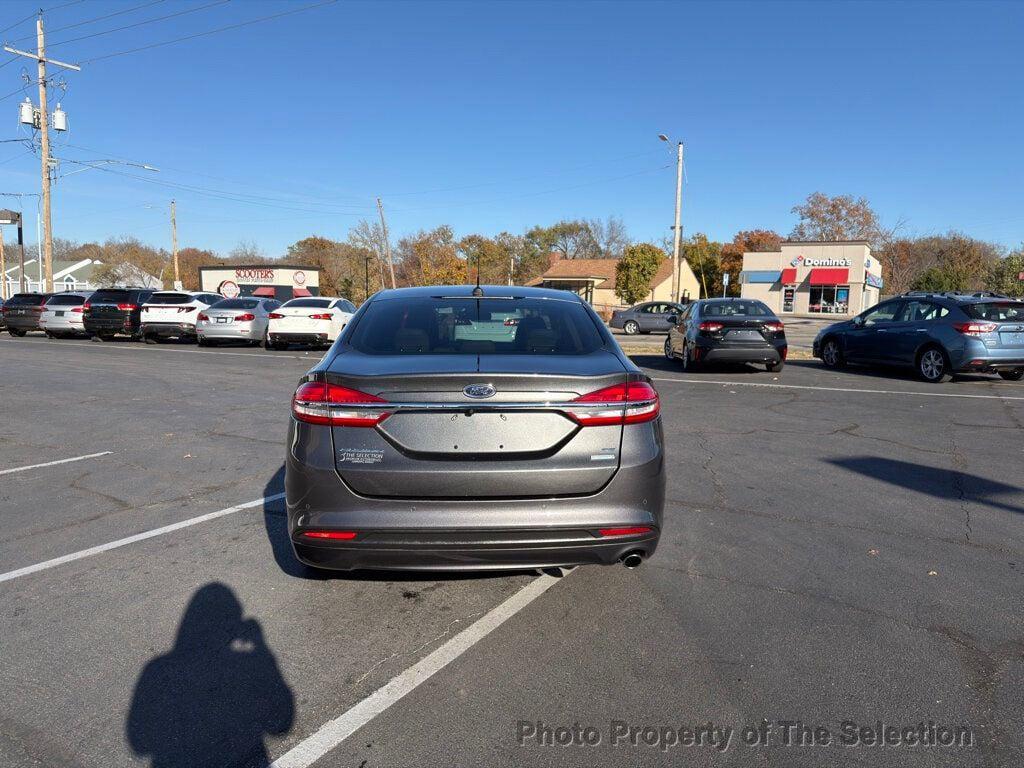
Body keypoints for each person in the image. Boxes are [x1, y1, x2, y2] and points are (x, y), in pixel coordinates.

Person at [126, 582, 294, 768]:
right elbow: (281, 724)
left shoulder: (156, 668)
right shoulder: (246, 663)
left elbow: (139, 744)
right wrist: (261, 647)